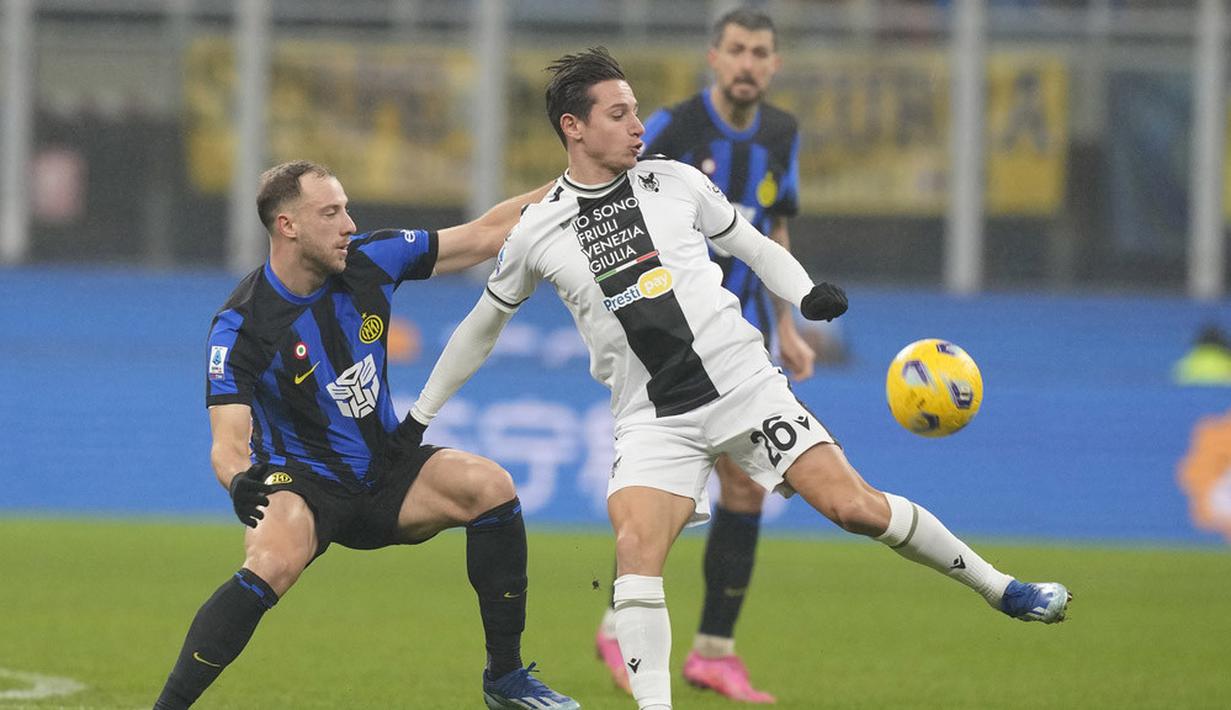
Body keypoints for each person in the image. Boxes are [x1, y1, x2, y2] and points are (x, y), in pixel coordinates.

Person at [399, 49, 1071, 710]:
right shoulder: (537, 228)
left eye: (635, 110)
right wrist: (420, 417)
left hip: (744, 386)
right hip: (653, 418)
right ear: (573, 127)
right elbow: (479, 329)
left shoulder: (675, 182)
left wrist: (805, 296)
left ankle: (1001, 588)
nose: (637, 124)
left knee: (854, 507)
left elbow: (749, 244)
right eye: (617, 113)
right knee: (635, 549)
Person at [153, 161, 578, 710]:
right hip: (303, 484)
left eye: (347, 208)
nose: (349, 224)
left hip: (386, 468)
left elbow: (484, 235)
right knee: (273, 560)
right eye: (331, 213)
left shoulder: (370, 261)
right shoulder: (242, 324)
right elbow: (227, 441)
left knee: (490, 485)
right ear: (288, 226)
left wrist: (577, 183)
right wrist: (238, 480)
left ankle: (505, 677)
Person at [593, 9, 809, 702]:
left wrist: (791, 325)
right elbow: (605, 191)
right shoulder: (670, 127)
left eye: (760, 53)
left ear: (773, 65)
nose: (748, 63)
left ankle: (710, 650)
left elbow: (774, 229)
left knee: (744, 487)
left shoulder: (780, 135)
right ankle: (629, 621)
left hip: (747, 339)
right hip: (674, 341)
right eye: (737, 50)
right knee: (694, 484)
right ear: (713, 57)